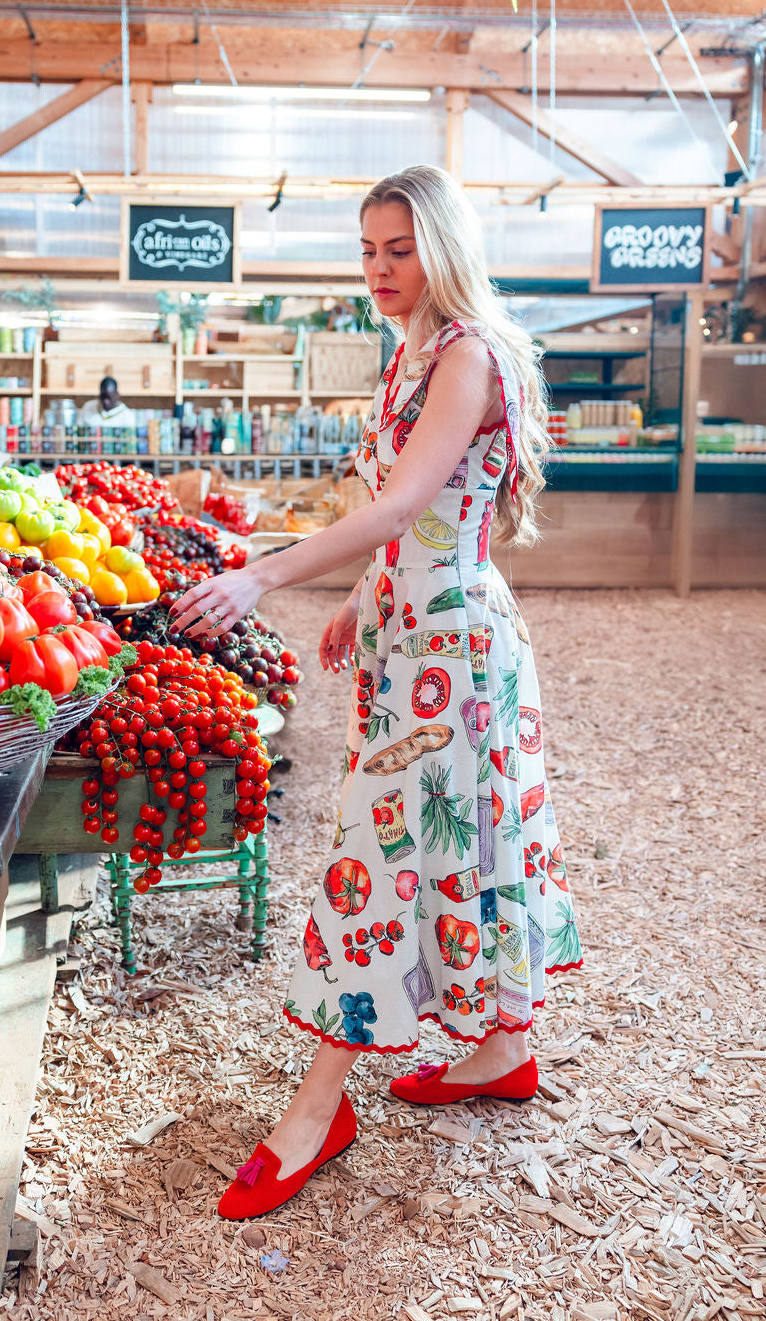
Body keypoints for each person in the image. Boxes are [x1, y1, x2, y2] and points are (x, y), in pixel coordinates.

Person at [169, 165, 583, 1221]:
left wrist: (264, 572)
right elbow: (415, 515)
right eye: (366, 249)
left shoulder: (467, 357)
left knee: (386, 851)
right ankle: (501, 1047)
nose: (380, 270)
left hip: (454, 648)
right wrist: (361, 589)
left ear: (442, 248)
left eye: (399, 249)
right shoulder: (413, 354)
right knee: (462, 834)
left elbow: (403, 500)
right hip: (417, 638)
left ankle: (317, 1107)